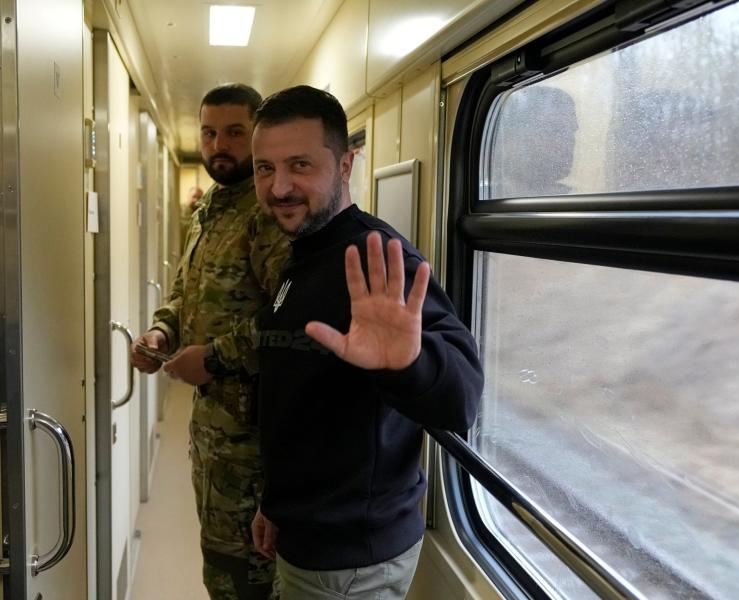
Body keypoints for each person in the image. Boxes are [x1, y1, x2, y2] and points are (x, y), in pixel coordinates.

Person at [248, 85, 483, 599]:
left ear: (346, 164)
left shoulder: (378, 259)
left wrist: (410, 363)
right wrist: (276, 502)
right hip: (309, 532)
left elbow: (461, 398)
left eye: (300, 165)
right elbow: (299, 401)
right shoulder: (305, 252)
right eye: (264, 168)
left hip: (351, 560)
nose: (279, 186)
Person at [130, 83, 290, 600]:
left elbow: (289, 322)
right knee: (221, 572)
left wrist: (215, 358)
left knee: (248, 582)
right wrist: (163, 329)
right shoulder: (208, 213)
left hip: (255, 449)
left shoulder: (271, 217)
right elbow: (184, 294)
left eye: (235, 132)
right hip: (212, 437)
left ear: (258, 136)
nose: (219, 144)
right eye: (209, 132)